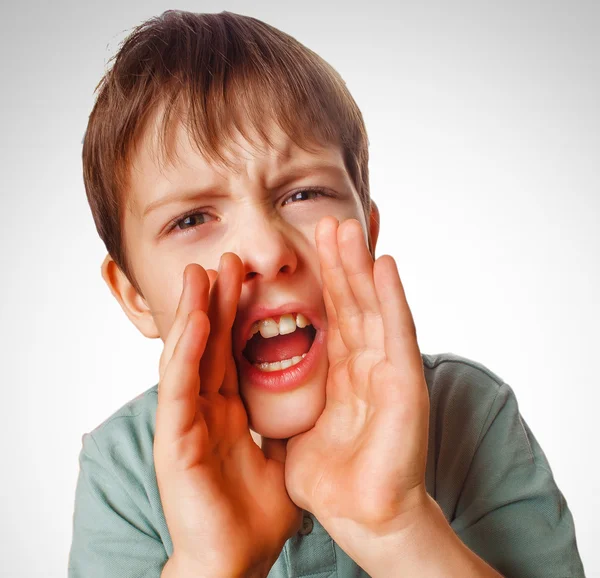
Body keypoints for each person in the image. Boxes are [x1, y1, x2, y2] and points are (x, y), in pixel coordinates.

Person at [68, 9, 585, 578]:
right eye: (192, 219)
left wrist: (395, 526)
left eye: (304, 193)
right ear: (135, 295)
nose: (266, 252)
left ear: (367, 231)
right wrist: (212, 563)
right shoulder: (121, 472)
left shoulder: (470, 414)